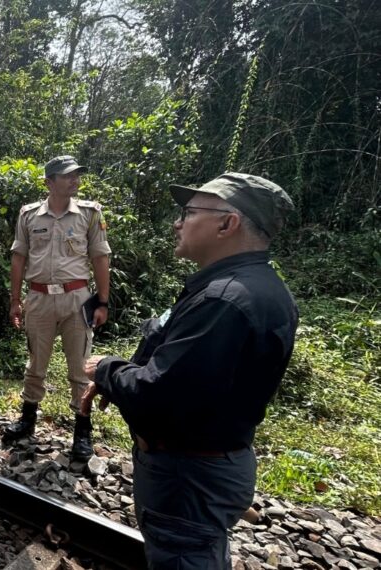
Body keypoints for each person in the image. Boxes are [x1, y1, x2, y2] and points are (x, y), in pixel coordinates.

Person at [81, 173, 297, 568]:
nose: (177, 222)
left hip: (187, 477)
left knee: (185, 556)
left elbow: (159, 396)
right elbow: (187, 377)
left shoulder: (224, 301)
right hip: (206, 466)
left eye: (190, 212)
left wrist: (107, 369)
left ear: (227, 223)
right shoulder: (250, 286)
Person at [5, 155, 111, 461]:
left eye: (77, 175)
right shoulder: (28, 216)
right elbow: (18, 258)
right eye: (67, 176)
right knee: (36, 363)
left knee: (80, 367)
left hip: (76, 299)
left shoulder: (90, 213)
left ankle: (82, 430)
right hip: (38, 299)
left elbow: (100, 257)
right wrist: (15, 300)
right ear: (49, 182)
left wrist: (102, 301)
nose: (75, 180)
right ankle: (27, 420)